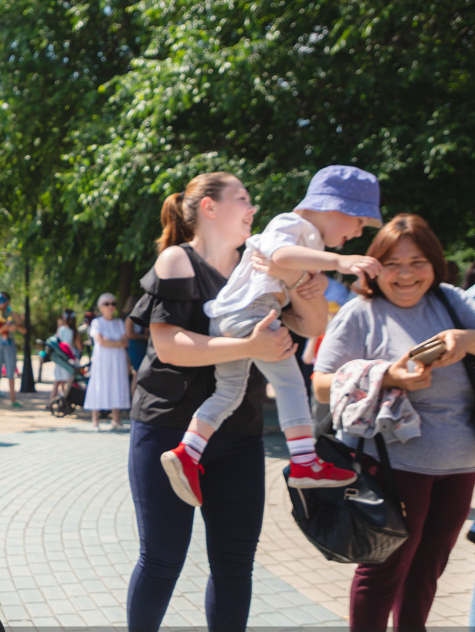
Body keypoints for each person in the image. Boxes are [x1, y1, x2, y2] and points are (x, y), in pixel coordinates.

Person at [123, 171, 327, 632]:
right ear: (209, 208)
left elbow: (309, 326)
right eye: (243, 198)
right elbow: (169, 345)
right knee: (162, 557)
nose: (253, 207)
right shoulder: (177, 261)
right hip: (169, 430)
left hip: (238, 435)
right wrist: (248, 344)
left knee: (235, 563)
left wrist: (307, 293)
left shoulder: (261, 263)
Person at [311, 213, 475, 632]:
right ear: (374, 267)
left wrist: (467, 340)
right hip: (392, 461)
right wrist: (388, 376)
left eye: (417, 262)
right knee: (384, 565)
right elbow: (321, 384)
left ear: (435, 264)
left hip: (460, 462)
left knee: (431, 563)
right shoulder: (361, 314)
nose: (405, 274)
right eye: (393, 263)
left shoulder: (454, 303)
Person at [160, 166, 383, 507]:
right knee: (292, 385)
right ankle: (305, 461)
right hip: (252, 315)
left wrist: (314, 279)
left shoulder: (309, 242)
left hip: (232, 317)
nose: (357, 232)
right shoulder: (291, 224)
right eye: (359, 221)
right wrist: (339, 262)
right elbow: (280, 256)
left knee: (228, 393)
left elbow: (312, 318)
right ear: (334, 208)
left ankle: (187, 452)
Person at [85, 293, 131, 430]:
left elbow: (125, 342)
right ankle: (95, 421)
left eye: (113, 303)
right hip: (102, 361)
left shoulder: (119, 322)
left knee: (117, 384)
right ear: (100, 307)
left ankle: (116, 420)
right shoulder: (97, 322)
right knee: (99, 385)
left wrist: (111, 342)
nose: (110, 306)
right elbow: (101, 341)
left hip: (117, 360)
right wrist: (117, 343)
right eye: (107, 304)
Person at [49, 311, 77, 402]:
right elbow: (78, 346)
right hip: (68, 358)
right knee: (69, 381)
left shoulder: (61, 329)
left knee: (57, 381)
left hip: (60, 358)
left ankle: (51, 401)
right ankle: (67, 400)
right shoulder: (73, 331)